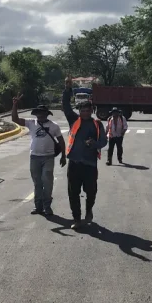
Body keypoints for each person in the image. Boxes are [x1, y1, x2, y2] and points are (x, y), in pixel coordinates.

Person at [61, 77, 107, 229]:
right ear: (79, 111)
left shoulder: (97, 124)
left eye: (88, 110)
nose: (85, 113)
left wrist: (94, 144)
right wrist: (67, 89)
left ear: (91, 111)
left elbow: (104, 142)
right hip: (74, 164)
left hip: (90, 165)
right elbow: (66, 106)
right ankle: (77, 219)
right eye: (82, 110)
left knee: (91, 192)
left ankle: (89, 211)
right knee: (73, 193)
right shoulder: (74, 120)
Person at [11, 95, 65, 215]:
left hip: (48, 157)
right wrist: (15, 105)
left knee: (47, 182)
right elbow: (15, 119)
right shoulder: (31, 123)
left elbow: (61, 141)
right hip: (34, 157)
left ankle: (47, 206)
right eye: (38, 113)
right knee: (37, 183)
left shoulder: (54, 126)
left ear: (47, 114)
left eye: (42, 113)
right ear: (36, 114)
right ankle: (38, 207)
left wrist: (64, 156)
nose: (40, 115)